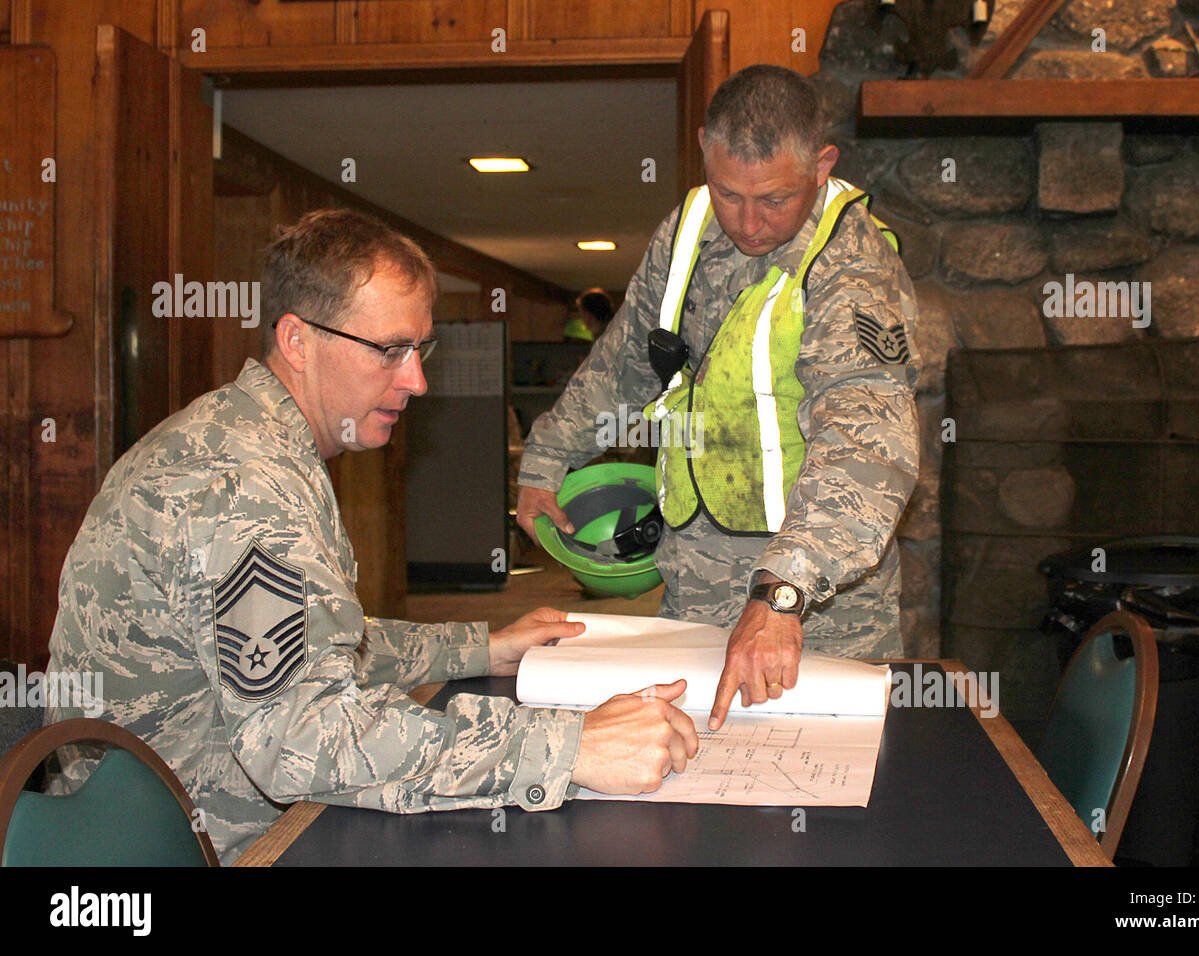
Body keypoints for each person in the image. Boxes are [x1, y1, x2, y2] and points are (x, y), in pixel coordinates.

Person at [44, 208, 697, 864]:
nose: (416, 381)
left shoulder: (246, 439)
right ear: (298, 340)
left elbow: (301, 645)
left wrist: (479, 647)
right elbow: (300, 740)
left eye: (421, 350)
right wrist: (572, 747)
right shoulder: (245, 485)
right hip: (190, 848)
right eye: (389, 350)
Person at [516, 65, 920, 732]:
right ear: (704, 147)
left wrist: (782, 593)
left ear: (822, 167)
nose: (750, 223)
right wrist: (545, 460)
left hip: (823, 599)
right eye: (730, 193)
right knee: (697, 765)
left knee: (828, 778)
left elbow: (867, 439)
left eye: (776, 199)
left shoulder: (853, 263)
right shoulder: (687, 232)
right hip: (696, 575)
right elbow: (623, 362)